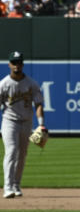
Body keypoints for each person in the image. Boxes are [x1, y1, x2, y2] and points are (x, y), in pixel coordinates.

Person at [2, 51, 46, 199]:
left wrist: (41, 125)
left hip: (27, 122)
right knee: (12, 150)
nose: (16, 65)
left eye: (19, 62)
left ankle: (16, 184)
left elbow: (39, 103)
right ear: (9, 64)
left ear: (23, 64)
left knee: (22, 154)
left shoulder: (31, 83)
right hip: (10, 122)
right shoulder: (3, 84)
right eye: (14, 63)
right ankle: (7, 187)